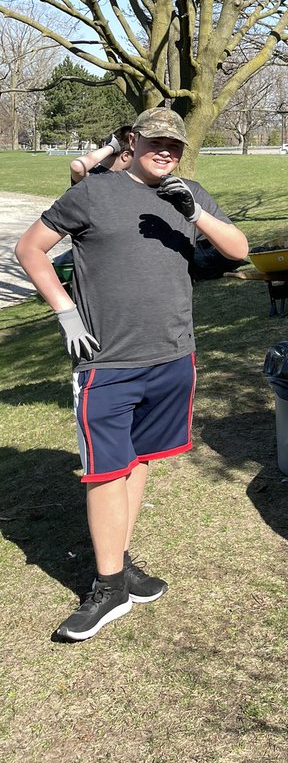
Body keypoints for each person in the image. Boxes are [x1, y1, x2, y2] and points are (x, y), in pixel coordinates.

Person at [15, 106, 249, 642]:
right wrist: (65, 310)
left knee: (140, 461)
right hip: (107, 362)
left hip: (172, 356)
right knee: (104, 472)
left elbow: (238, 251)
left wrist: (196, 213)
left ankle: (119, 566)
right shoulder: (94, 192)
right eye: (154, 142)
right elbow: (30, 248)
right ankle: (108, 583)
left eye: (175, 145)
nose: (164, 151)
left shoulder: (187, 193)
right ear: (133, 140)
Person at [69, 125, 134, 185]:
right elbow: (77, 167)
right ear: (126, 156)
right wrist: (112, 146)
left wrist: (111, 146)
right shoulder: (92, 176)